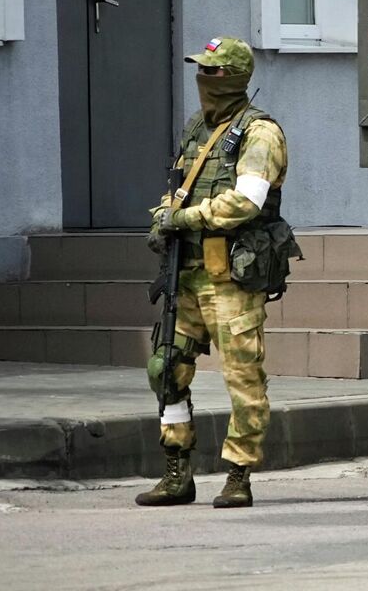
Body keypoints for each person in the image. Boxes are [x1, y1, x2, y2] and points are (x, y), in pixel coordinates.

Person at [136, 36, 288, 509]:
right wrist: (163, 215)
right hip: (187, 272)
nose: (205, 79)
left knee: (243, 378)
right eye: (202, 70)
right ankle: (177, 470)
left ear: (237, 77)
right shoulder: (197, 129)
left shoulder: (259, 134)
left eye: (214, 71)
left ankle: (238, 473)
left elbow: (247, 201)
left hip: (231, 278)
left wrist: (186, 218)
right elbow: (178, 189)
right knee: (166, 370)